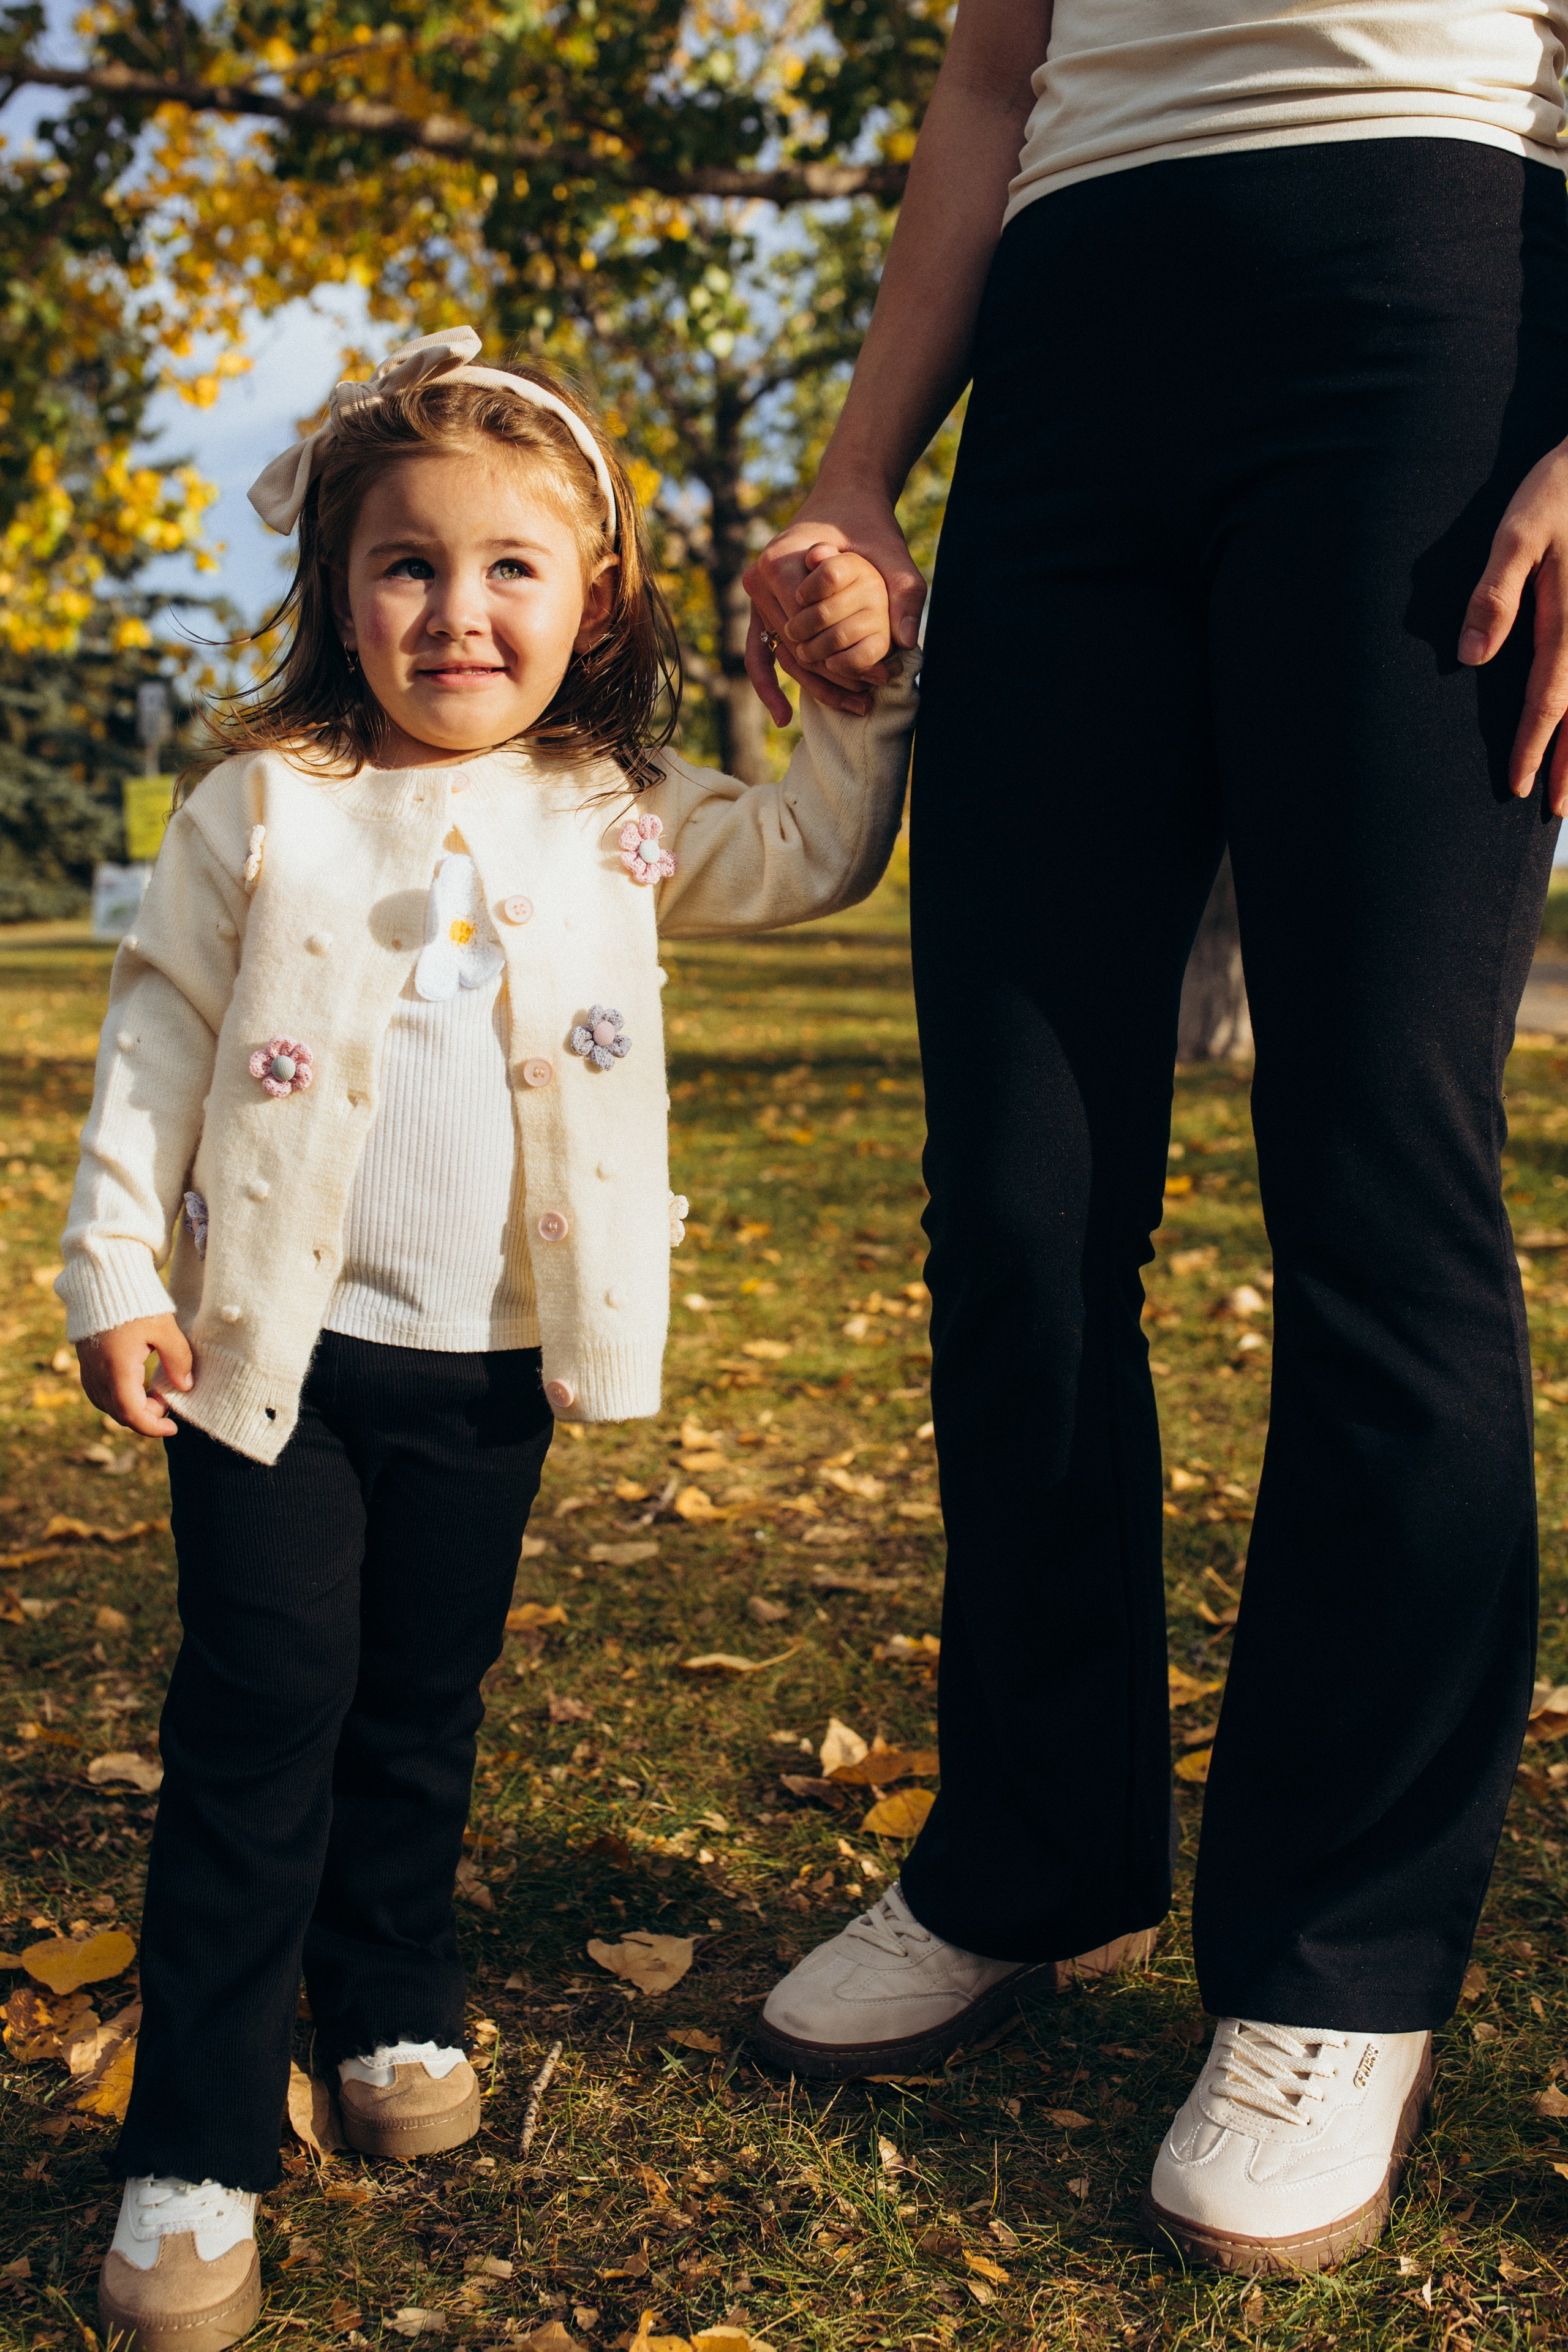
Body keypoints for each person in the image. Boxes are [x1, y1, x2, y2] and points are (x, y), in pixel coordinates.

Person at [744, 0, 1568, 2278]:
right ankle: (1030, 1854)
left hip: (1439, 304)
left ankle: (1338, 1962)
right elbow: (998, 78)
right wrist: (852, 471)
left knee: (1377, 1173)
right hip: (1076, 358)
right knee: (1018, 1185)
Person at [58, 325, 909, 2352]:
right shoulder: (265, 805)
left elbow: (812, 853)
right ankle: (194, 2140)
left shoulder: (615, 811)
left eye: (511, 567)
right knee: (263, 1721)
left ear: (590, 598)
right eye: (407, 566)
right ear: (341, 595)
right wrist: (117, 1271)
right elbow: (157, 1043)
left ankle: (394, 1996)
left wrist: (858, 703)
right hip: (271, 1367)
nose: (458, 610)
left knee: (421, 1706)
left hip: (484, 1370)